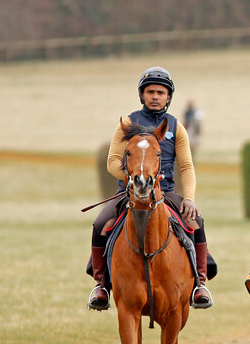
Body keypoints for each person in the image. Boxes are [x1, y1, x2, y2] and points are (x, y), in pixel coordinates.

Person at [87, 67, 213, 310]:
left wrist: (189, 198)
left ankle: (199, 283)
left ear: (168, 97)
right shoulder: (126, 123)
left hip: (164, 193)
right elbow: (112, 161)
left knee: (196, 221)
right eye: (150, 92)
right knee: (100, 223)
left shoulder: (177, 127)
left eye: (160, 92)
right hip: (129, 193)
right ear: (142, 95)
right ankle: (101, 285)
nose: (155, 96)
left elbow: (186, 166)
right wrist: (135, 178)